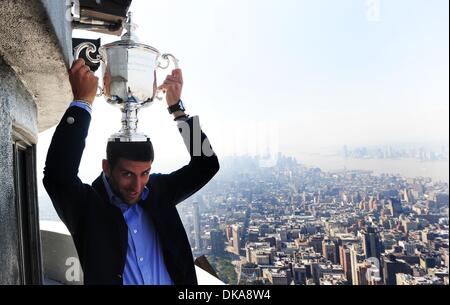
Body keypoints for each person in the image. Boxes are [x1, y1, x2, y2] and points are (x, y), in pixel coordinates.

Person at [43, 58, 220, 285]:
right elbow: (58, 176)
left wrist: (178, 111)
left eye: (145, 173)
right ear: (107, 167)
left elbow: (207, 165)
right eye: (127, 174)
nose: (138, 186)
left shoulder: (157, 192)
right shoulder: (89, 208)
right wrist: (81, 103)